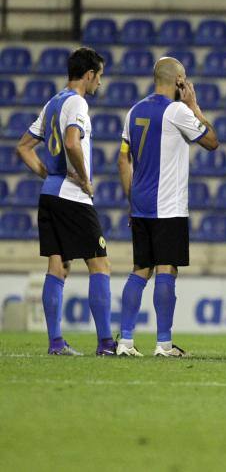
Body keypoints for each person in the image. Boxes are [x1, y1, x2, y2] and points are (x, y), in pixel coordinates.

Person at [15, 47, 115, 356]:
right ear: (88, 75)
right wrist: (84, 178)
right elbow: (72, 142)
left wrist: (47, 172)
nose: (99, 82)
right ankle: (105, 344)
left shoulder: (53, 103)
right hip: (72, 196)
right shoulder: (78, 104)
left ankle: (56, 343)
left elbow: (24, 146)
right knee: (100, 264)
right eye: (98, 76)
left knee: (57, 265)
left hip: (50, 193)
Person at [116, 57, 219, 357]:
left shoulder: (133, 111)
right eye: (184, 79)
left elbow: (123, 159)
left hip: (141, 206)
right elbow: (212, 141)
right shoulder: (177, 111)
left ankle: (125, 341)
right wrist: (195, 107)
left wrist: (131, 201)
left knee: (139, 270)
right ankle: (163, 343)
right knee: (167, 269)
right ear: (178, 81)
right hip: (169, 207)